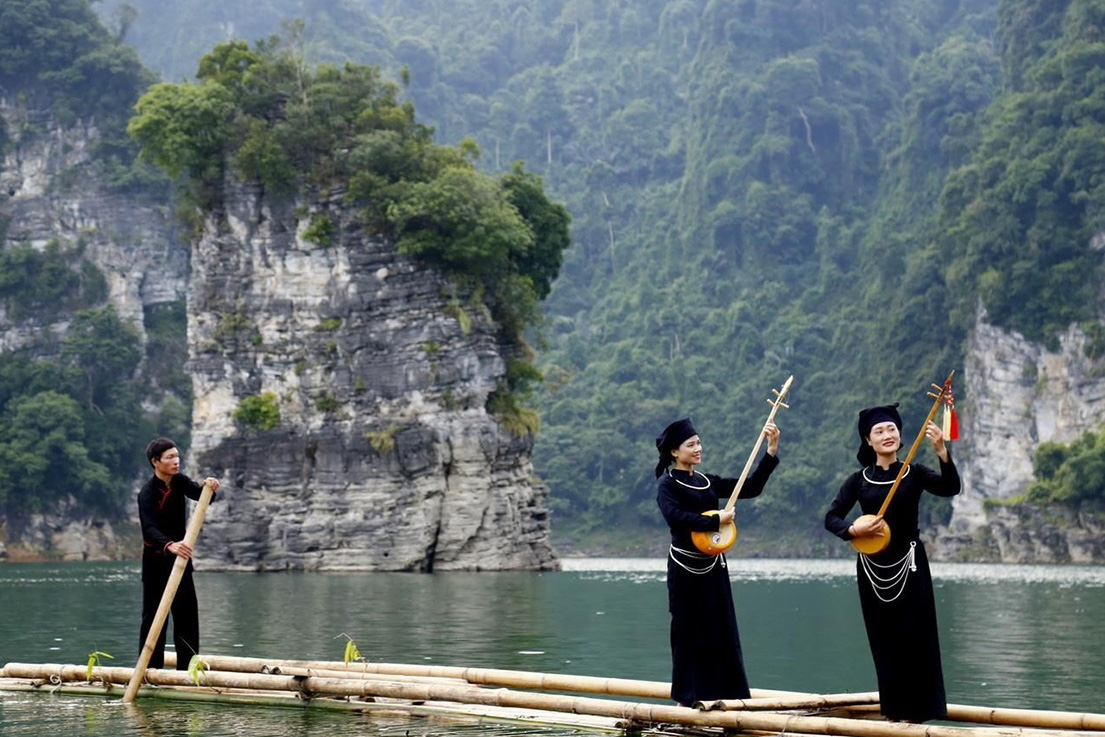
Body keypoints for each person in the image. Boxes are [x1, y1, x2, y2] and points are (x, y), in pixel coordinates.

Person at [824, 404, 960, 723]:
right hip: (873, 570)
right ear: (868, 441)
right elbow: (831, 518)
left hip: (910, 565)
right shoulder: (858, 481)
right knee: (885, 639)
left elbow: (951, 488)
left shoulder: (914, 473)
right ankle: (894, 711)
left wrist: (942, 451)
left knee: (917, 635)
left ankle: (922, 711)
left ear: (900, 437)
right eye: (879, 431)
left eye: (892, 430)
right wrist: (853, 530)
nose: (887, 435)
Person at [655, 417, 780, 707]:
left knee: (720, 627)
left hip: (713, 565)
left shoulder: (707, 481)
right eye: (691, 444)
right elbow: (675, 518)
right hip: (684, 568)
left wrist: (770, 452)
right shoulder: (667, 485)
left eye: (698, 442)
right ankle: (689, 697)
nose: (698, 448)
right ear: (675, 451)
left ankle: (727, 695)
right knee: (687, 629)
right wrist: (714, 518)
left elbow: (751, 487)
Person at [137, 437, 220, 670]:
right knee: (154, 618)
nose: (176, 461)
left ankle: (188, 670)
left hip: (181, 562)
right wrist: (169, 545)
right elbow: (149, 529)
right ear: (156, 462)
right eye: (170, 457)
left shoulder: (180, 482)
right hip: (156, 563)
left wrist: (209, 487)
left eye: (177, 456)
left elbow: (203, 496)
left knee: (187, 617)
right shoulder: (146, 493)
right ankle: (150, 672)